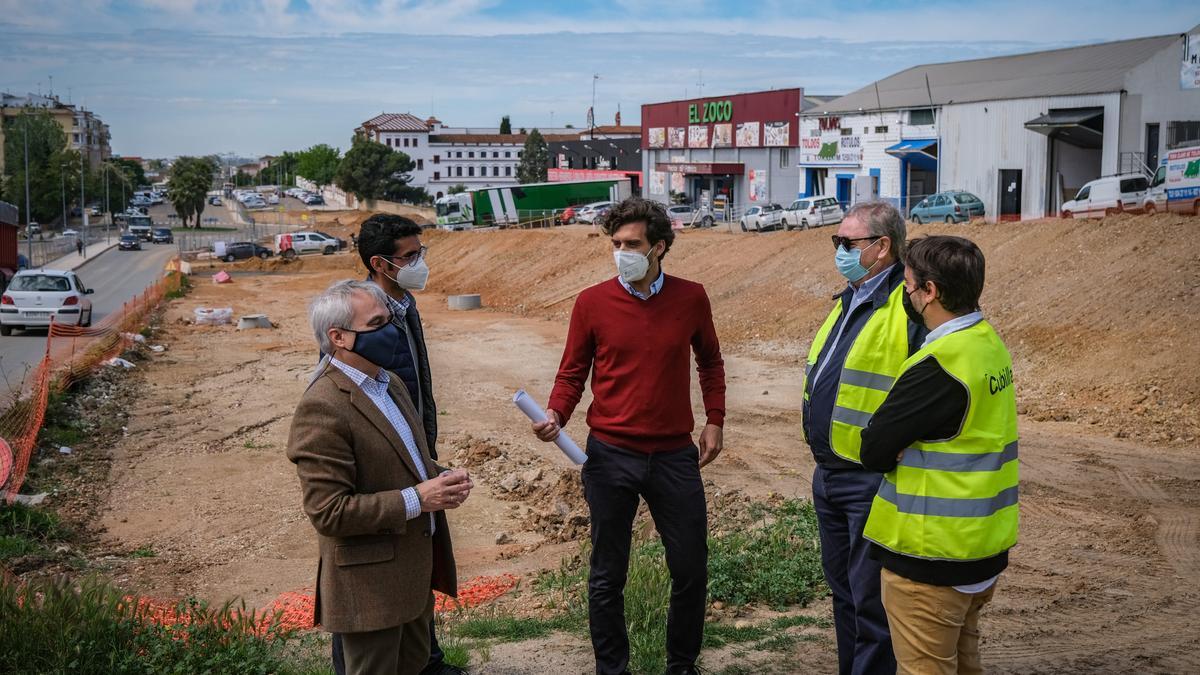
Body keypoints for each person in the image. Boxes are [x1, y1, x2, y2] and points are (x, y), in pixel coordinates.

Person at [532, 197, 725, 675]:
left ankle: (681, 664)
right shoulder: (592, 302)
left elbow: (711, 362)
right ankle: (611, 669)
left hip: (674, 456)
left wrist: (715, 420)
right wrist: (557, 412)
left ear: (658, 247)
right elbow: (572, 371)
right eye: (615, 243)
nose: (622, 252)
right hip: (610, 454)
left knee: (690, 568)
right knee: (606, 574)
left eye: (632, 244)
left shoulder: (691, 297)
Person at [288, 280, 472, 675]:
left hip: (411, 580)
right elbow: (329, 512)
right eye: (377, 324)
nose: (391, 331)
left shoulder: (391, 384)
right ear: (339, 337)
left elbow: (404, 464)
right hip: (369, 591)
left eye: (390, 320)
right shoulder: (323, 407)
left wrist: (441, 479)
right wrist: (418, 498)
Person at [860, 235, 1018, 675]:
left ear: (930, 291)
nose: (906, 297)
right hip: (980, 551)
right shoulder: (987, 343)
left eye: (909, 287)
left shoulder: (938, 365)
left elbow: (873, 448)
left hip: (931, 560)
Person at [327, 214, 460, 675]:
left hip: (413, 445)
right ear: (381, 263)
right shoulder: (362, 318)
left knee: (415, 562)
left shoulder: (404, 303)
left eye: (420, 251)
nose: (420, 262)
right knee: (365, 584)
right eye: (411, 256)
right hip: (383, 460)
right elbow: (349, 396)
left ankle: (426, 659)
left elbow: (415, 380)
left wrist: (426, 450)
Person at [801, 201, 925, 675]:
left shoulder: (906, 306)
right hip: (830, 475)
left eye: (846, 243)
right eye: (837, 242)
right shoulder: (850, 297)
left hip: (871, 478)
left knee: (871, 602)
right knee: (845, 595)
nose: (838, 251)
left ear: (881, 247)